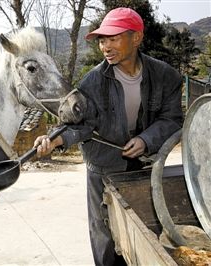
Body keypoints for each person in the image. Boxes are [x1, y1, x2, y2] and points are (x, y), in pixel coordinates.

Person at [33, 7, 183, 266]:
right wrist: (55, 140)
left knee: (144, 232)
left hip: (145, 166)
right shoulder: (93, 81)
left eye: (113, 38)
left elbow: (172, 119)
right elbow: (81, 125)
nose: (105, 46)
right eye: (102, 40)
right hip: (102, 170)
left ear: (136, 38)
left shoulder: (165, 76)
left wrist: (146, 139)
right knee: (105, 237)